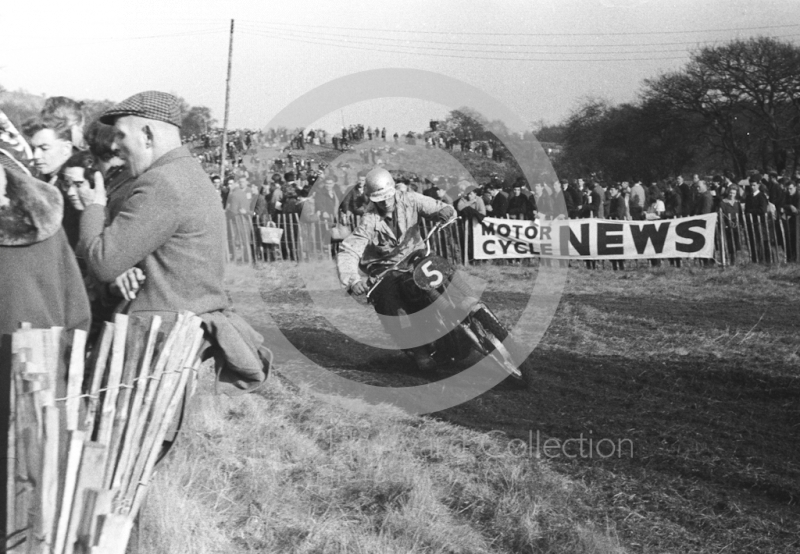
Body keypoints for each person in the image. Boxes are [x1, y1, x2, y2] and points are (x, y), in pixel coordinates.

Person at [79, 91, 269, 394]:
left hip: (154, 343)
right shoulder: (188, 173)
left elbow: (102, 262)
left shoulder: (161, 182)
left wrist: (93, 207)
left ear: (147, 134)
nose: (114, 145)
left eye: (120, 135)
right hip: (174, 335)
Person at [1, 165, 91, 548]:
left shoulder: (45, 216)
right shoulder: (47, 218)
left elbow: (74, 310)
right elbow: (77, 313)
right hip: (44, 372)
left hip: (32, 376)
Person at [337, 167, 465, 371]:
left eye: (388, 196)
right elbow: (349, 249)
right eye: (380, 198)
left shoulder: (410, 199)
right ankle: (420, 353)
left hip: (415, 255)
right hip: (386, 269)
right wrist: (353, 280)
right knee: (393, 307)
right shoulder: (369, 220)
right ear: (371, 198)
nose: (386, 202)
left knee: (443, 268)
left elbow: (434, 206)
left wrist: (445, 211)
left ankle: (471, 309)